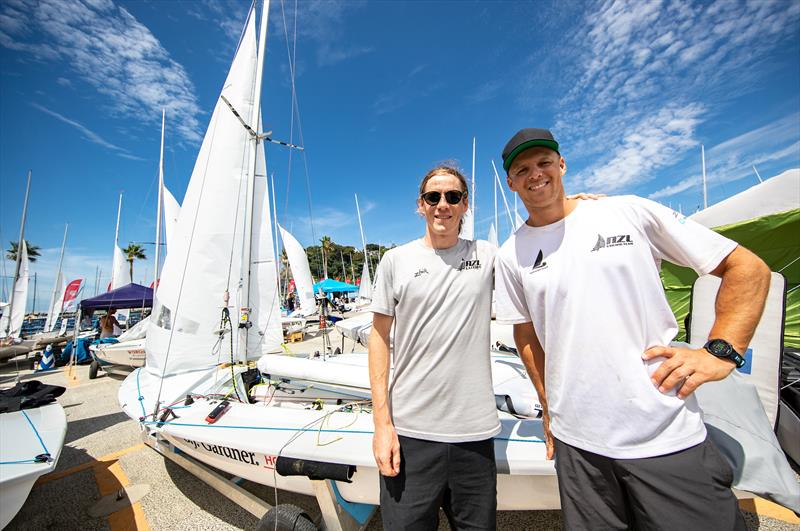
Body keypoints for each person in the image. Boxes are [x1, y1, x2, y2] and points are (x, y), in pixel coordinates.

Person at [494, 128, 772, 530]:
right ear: (511, 182)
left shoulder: (626, 211)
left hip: (664, 433)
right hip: (578, 447)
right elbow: (527, 337)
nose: (535, 174)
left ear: (562, 164)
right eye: (523, 169)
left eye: (543, 163)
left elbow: (746, 268)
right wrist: (549, 408)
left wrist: (721, 352)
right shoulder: (510, 254)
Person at [368, 165, 499, 530]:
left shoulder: (488, 256)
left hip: (473, 437)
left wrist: (574, 205)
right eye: (434, 197)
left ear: (465, 205)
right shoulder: (396, 260)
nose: (443, 204)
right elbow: (378, 339)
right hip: (411, 434)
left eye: (453, 197)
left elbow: (542, 241)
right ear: (420, 205)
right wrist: (382, 425)